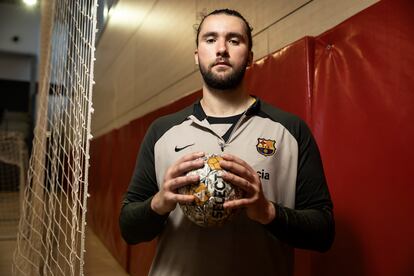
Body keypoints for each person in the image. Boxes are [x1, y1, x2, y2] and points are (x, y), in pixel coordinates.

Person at [119, 8, 334, 276]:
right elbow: (128, 229)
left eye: (234, 40)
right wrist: (160, 202)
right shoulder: (162, 131)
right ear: (197, 56)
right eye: (210, 40)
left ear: (250, 58)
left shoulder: (290, 130)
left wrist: (268, 212)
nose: (221, 49)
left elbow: (323, 231)